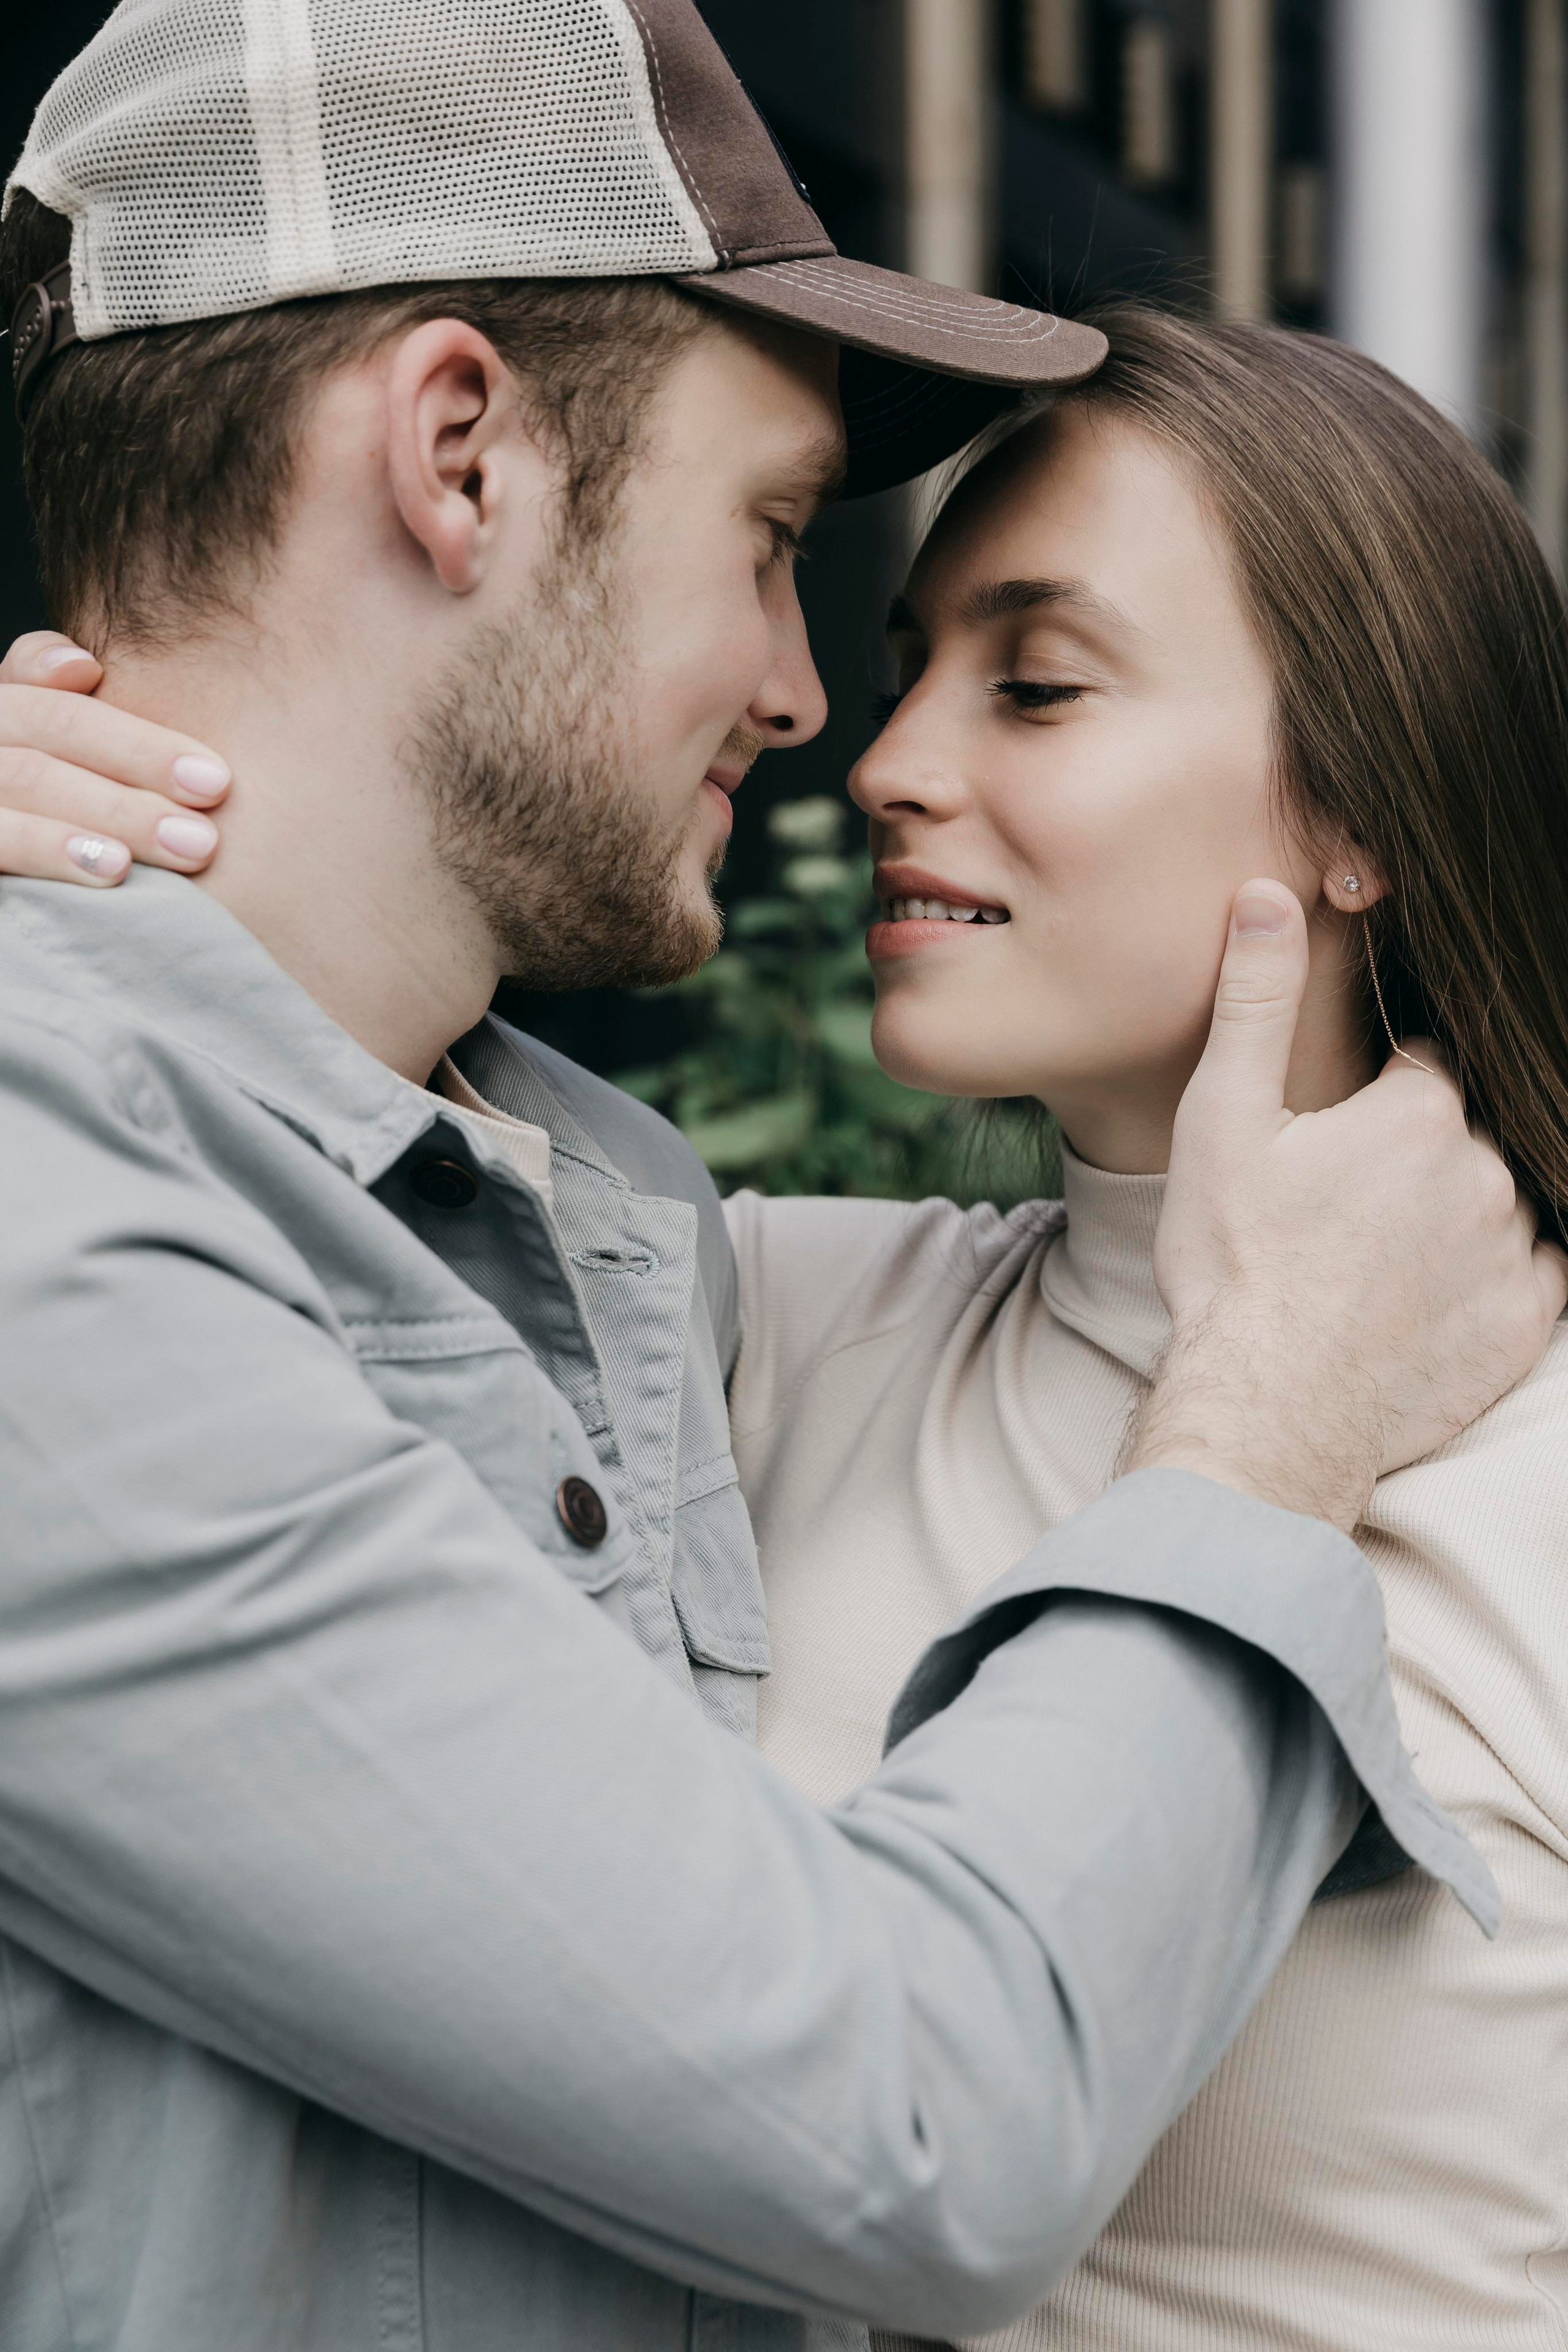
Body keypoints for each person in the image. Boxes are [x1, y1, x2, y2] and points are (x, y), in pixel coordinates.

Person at [0, 13, 1556, 2352]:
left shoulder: (601, 1264)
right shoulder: (164, 1244)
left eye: (1038, 684)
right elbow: (914, 2113)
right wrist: (1270, 1420)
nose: (840, 723)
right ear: (453, 456)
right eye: (771, 542)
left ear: (1366, 792)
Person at [716, 306, 1568, 2351]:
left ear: (1364, 806)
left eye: (1036, 684)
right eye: (914, 673)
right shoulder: (752, 1321)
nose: (887, 764)